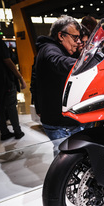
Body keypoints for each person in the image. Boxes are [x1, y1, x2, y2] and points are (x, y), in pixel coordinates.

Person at [34, 15, 87, 154]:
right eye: (75, 37)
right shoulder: (49, 49)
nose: (78, 42)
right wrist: (89, 65)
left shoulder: (51, 49)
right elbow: (58, 61)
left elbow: (35, 80)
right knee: (65, 162)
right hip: (60, 122)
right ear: (61, 35)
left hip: (58, 118)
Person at [0, 19, 26, 140]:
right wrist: (20, 77)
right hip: (5, 80)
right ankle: (17, 131)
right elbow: (8, 62)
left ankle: (4, 132)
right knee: (11, 106)